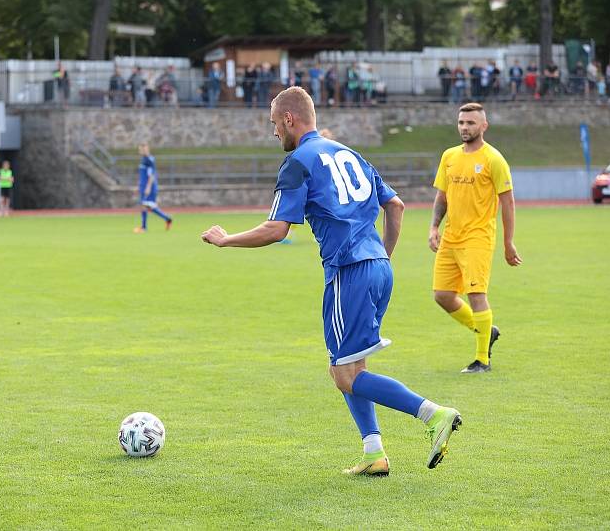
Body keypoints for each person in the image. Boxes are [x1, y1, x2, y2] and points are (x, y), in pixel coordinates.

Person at [201, 86, 463, 476]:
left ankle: (432, 414)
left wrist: (226, 240)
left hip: (348, 272)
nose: (274, 132)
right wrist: (383, 256)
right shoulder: (348, 153)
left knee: (344, 374)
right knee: (349, 368)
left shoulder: (298, 161)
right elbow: (396, 204)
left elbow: (276, 229)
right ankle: (374, 453)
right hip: (377, 268)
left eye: (274, 123)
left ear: (289, 119)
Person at [429, 103, 522, 374]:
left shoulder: (494, 159)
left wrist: (508, 242)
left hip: (478, 237)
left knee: (476, 294)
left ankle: (483, 360)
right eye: (461, 123)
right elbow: (442, 196)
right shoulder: (449, 156)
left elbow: (508, 203)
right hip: (451, 236)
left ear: (484, 126)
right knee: (443, 295)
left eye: (471, 123)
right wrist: (434, 227)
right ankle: (484, 329)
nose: (465, 127)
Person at [133, 143, 172, 233]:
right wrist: (139, 186)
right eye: (140, 149)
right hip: (143, 186)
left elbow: (151, 175)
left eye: (142, 149)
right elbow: (143, 175)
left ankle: (144, 227)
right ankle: (167, 218)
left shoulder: (149, 160)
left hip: (149, 187)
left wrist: (148, 187)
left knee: (146, 206)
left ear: (146, 149)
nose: (140, 151)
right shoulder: (143, 159)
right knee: (147, 207)